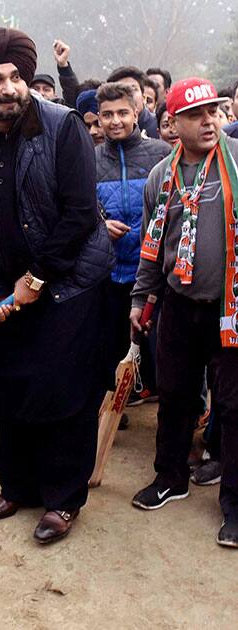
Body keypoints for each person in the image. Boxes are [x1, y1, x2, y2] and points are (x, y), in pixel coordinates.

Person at [0, 26, 114, 544]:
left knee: (65, 393)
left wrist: (35, 278)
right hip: (9, 289)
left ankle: (63, 500)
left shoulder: (62, 126)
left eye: (17, 77)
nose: (10, 87)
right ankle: (18, 487)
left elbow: (78, 215)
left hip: (68, 283)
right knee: (11, 388)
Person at [130, 77, 238, 548]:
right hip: (178, 305)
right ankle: (170, 477)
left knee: (234, 408)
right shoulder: (161, 176)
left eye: (213, 111)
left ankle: (235, 504)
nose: (209, 120)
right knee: (174, 395)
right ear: (172, 123)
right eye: (196, 114)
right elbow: (152, 249)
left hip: (230, 307)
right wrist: (141, 299)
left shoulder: (237, 161)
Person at [95, 82, 170, 407]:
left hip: (152, 272)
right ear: (98, 117)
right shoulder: (89, 158)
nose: (115, 121)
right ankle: (114, 406)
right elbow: (76, 209)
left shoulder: (161, 153)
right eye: (107, 115)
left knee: (160, 348)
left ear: (136, 112)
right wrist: (99, 227)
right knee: (108, 344)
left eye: (122, 113)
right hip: (108, 272)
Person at [106, 66, 158, 138]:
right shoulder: (108, 128)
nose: (129, 95)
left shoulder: (158, 126)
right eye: (122, 91)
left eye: (133, 89)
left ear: (144, 97)